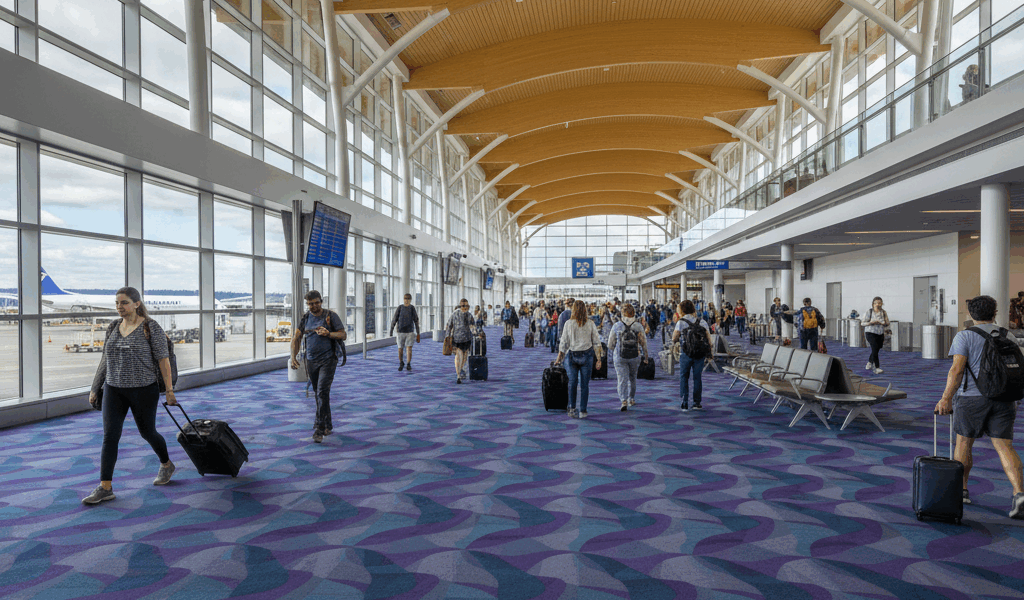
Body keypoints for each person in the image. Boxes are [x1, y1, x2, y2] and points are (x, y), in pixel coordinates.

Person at [84, 287, 177, 505]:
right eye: (117, 303)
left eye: (124, 303)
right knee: (110, 436)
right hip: (113, 390)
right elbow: (105, 359)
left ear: (136, 303)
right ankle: (105, 487)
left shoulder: (150, 327)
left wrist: (170, 390)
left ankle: (166, 464)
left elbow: (163, 360)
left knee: (147, 432)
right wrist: (95, 387)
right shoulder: (113, 327)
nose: (119, 307)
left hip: (143, 389)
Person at [934, 295, 1023, 518]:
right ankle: (1020, 493)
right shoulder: (1008, 334)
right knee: (1005, 446)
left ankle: (961, 491)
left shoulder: (964, 336)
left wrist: (945, 398)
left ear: (971, 315)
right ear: (994, 313)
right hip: (1005, 398)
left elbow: (957, 371)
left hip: (971, 399)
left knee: (964, 443)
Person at [290, 290, 347, 444]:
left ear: (321, 301)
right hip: (311, 360)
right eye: (310, 304)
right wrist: (293, 356)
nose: (313, 306)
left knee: (322, 391)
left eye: (316, 303)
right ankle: (328, 424)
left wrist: (329, 334)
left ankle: (319, 428)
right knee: (319, 393)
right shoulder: (306, 318)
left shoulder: (330, 316)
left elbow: (343, 335)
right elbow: (296, 337)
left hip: (328, 360)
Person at [556, 300, 604, 418]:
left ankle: (572, 408)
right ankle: (583, 410)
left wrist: (559, 358)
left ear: (573, 310)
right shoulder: (590, 323)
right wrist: (599, 359)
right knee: (584, 385)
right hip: (587, 356)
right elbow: (597, 342)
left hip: (571, 356)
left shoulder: (568, 323)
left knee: (572, 383)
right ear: (585, 310)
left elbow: (563, 343)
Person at [672, 300, 713, 412]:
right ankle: (697, 403)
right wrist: (710, 353)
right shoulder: (702, 322)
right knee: (697, 377)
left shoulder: (681, 322)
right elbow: (709, 340)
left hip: (686, 352)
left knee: (684, 376)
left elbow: (674, 338)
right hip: (700, 354)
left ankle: (685, 402)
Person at [608, 303, 648, 411]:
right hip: (635, 355)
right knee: (633, 378)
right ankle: (631, 398)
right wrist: (646, 357)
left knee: (622, 379)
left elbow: (610, 344)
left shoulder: (617, 325)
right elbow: (644, 342)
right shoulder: (638, 326)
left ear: (622, 313)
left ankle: (623, 400)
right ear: (633, 313)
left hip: (620, 356)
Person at [446, 298, 478, 384]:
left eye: (466, 306)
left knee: (464, 358)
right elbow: (449, 325)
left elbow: (472, 326)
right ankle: (458, 375)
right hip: (457, 339)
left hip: (467, 339)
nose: (465, 307)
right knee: (458, 356)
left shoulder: (469, 315)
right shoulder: (454, 314)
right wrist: (447, 337)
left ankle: (460, 369)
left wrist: (475, 332)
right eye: (463, 306)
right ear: (460, 306)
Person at [389, 293, 421, 372]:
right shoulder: (400, 308)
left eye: (408, 299)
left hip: (410, 332)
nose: (406, 300)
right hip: (400, 331)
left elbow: (416, 321)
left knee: (409, 349)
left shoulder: (412, 308)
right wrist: (391, 330)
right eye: (405, 299)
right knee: (400, 349)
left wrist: (418, 333)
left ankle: (408, 363)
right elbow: (395, 319)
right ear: (403, 299)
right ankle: (401, 362)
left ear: (410, 300)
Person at [860, 296, 889, 374]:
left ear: (882, 304)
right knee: (875, 347)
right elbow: (862, 323)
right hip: (870, 332)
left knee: (876, 349)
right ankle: (877, 367)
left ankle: (869, 362)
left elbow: (887, 323)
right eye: (876, 303)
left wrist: (883, 323)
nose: (878, 304)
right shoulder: (869, 312)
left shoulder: (884, 312)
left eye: (879, 303)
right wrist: (871, 323)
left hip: (880, 333)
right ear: (873, 304)